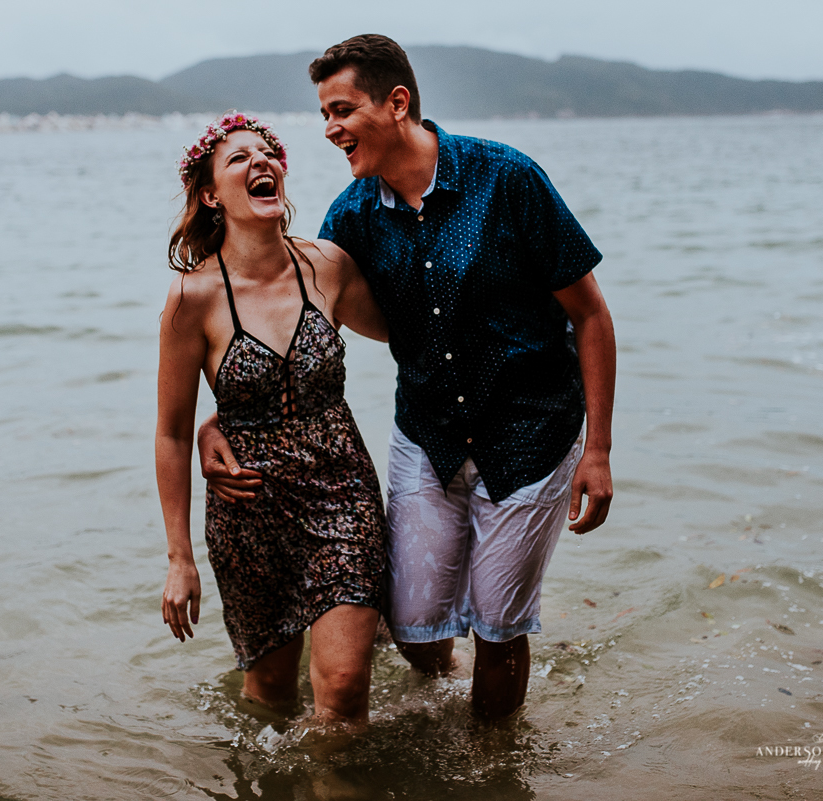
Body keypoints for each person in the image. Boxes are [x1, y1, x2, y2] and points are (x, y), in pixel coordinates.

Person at [199, 36, 616, 722]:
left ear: (397, 104)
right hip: (429, 432)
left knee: (499, 623)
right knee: (415, 618)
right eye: (324, 113)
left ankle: (491, 764)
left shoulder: (506, 179)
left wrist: (596, 450)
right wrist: (223, 416)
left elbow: (591, 314)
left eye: (341, 109)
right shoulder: (352, 217)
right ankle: (437, 688)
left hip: (533, 430)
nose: (329, 127)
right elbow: (294, 327)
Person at [155, 112, 391, 730]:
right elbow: (173, 433)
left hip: (342, 489)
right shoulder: (192, 298)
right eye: (238, 158)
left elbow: (410, 334)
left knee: (342, 688)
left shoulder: (328, 266)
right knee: (270, 695)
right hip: (249, 509)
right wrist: (180, 557)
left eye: (268, 153)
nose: (260, 162)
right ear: (210, 195)